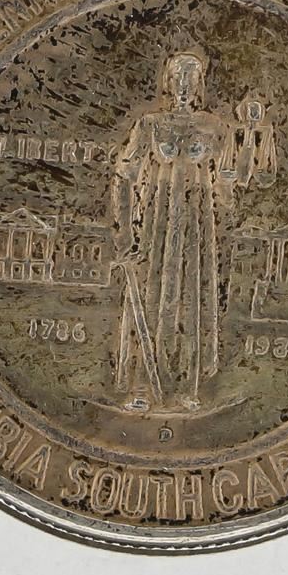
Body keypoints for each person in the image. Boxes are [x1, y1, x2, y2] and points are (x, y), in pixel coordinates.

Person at [112, 51, 232, 409]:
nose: (182, 86)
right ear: (167, 82)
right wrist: (125, 230)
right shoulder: (151, 125)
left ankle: (186, 387)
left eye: (189, 80)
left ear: (199, 86)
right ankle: (141, 387)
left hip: (197, 226)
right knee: (153, 295)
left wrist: (232, 180)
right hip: (156, 223)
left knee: (191, 298)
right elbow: (124, 175)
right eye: (176, 78)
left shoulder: (214, 128)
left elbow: (226, 191)